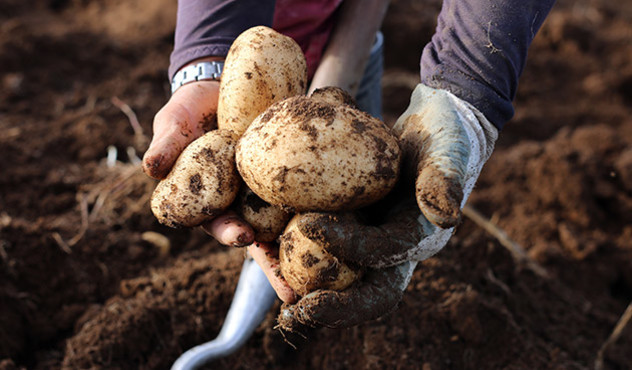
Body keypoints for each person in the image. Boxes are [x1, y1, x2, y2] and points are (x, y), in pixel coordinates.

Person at [142, 0, 557, 330]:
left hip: (320, 58)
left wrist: (468, 84)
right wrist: (210, 55)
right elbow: (258, 58)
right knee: (276, 45)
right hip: (270, 42)